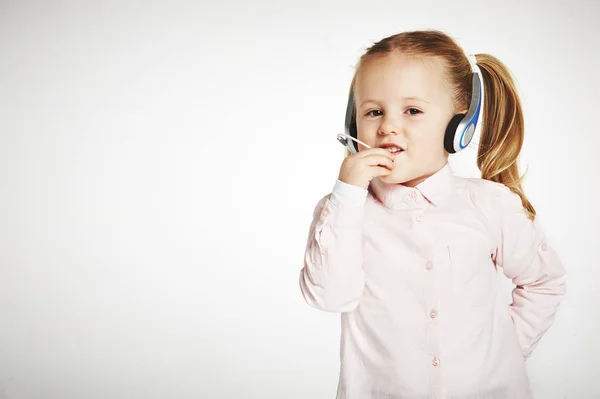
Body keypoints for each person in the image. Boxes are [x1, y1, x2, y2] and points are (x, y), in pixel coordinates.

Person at [299, 30, 567, 399]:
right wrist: (346, 195)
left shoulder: (490, 204)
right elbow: (329, 297)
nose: (388, 126)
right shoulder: (342, 213)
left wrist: (504, 354)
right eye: (373, 111)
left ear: (460, 125)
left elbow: (544, 282)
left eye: (412, 110)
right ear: (352, 125)